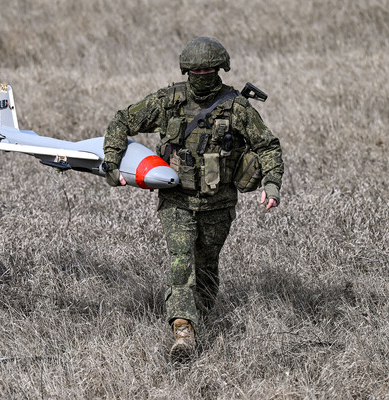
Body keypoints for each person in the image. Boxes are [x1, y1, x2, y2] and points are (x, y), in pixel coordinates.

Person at [102, 37, 284, 359]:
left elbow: (267, 146)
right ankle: (183, 332)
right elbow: (122, 121)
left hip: (219, 205)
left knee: (207, 267)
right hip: (177, 202)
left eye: (208, 70)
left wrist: (271, 184)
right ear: (186, 71)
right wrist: (112, 163)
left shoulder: (236, 107)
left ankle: (199, 317)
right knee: (181, 262)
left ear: (220, 69)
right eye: (196, 71)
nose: (201, 75)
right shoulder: (168, 101)